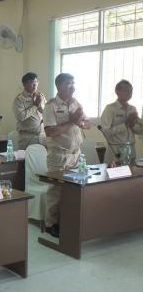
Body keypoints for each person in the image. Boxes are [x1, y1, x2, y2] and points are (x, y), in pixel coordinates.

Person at [43, 73, 91, 238]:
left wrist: (80, 122)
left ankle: (67, 220)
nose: (72, 87)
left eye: (73, 83)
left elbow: (88, 124)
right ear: (59, 86)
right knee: (56, 191)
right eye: (69, 84)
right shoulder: (51, 105)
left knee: (73, 190)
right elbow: (49, 131)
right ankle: (51, 224)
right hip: (59, 156)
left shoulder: (75, 103)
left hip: (76, 155)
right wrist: (72, 122)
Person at [100, 80, 142, 163]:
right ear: (117, 91)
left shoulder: (132, 108)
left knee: (132, 175)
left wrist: (133, 124)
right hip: (115, 150)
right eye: (126, 90)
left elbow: (139, 131)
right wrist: (125, 125)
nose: (129, 93)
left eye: (131, 90)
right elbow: (105, 131)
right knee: (116, 175)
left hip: (131, 149)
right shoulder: (110, 109)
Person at [12, 72, 47, 150]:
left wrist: (40, 107)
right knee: (25, 161)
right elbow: (21, 117)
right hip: (27, 138)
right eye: (31, 82)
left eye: (36, 82)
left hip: (42, 136)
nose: (35, 85)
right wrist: (35, 106)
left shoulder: (41, 96)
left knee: (43, 161)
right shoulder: (19, 99)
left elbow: (47, 113)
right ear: (24, 84)